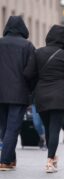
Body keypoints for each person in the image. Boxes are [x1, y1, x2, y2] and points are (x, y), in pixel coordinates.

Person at [23, 25, 64, 173]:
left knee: (49, 128)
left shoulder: (38, 53)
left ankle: (52, 157)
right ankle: (50, 161)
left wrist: (33, 88)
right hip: (60, 96)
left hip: (41, 95)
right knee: (54, 129)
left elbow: (28, 74)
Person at [0, 16, 35, 171]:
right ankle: (4, 160)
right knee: (13, 127)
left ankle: (11, 158)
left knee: (5, 127)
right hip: (19, 93)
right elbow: (31, 72)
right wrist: (31, 90)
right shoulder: (27, 46)